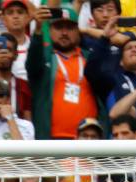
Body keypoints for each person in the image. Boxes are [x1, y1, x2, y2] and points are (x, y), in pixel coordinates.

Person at [27, 6, 103, 140]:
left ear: (78, 31)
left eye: (69, 28)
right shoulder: (44, 57)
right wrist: (38, 30)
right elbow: (32, 64)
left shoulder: (90, 58)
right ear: (49, 30)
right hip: (52, 142)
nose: (64, 33)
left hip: (88, 141)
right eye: (58, 27)